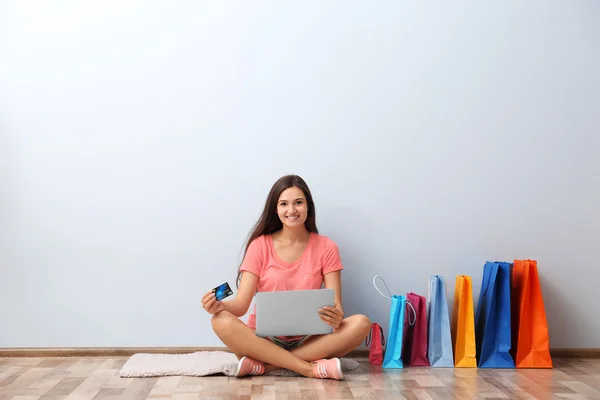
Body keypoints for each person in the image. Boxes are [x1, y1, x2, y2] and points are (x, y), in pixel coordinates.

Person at [200, 175, 371, 380]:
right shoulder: (259, 246)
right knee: (220, 321)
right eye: (284, 204)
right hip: (262, 340)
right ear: (275, 209)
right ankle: (307, 368)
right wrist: (220, 306)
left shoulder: (327, 247)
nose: (291, 210)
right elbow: (241, 305)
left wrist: (335, 318)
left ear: (308, 206)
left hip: (310, 340)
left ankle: (268, 365)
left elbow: (337, 307)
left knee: (361, 323)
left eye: (298, 202)